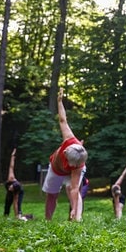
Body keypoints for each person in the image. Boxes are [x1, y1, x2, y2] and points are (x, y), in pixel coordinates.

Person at [43, 88, 88, 221]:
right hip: (56, 169)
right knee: (52, 195)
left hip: (74, 172)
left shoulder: (78, 164)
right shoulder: (68, 138)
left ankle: (77, 220)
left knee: (72, 189)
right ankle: (48, 221)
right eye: (70, 163)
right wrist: (59, 101)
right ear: (65, 152)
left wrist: (74, 208)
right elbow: (63, 120)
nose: (70, 166)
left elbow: (74, 189)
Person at [4, 148, 24, 219]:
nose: (10, 188)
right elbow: (11, 167)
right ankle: (6, 216)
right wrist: (12, 156)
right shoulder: (11, 178)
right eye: (11, 187)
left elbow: (15, 203)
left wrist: (16, 216)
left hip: (20, 191)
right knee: (7, 202)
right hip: (17, 186)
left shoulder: (16, 192)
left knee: (18, 203)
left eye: (11, 189)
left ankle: (19, 215)